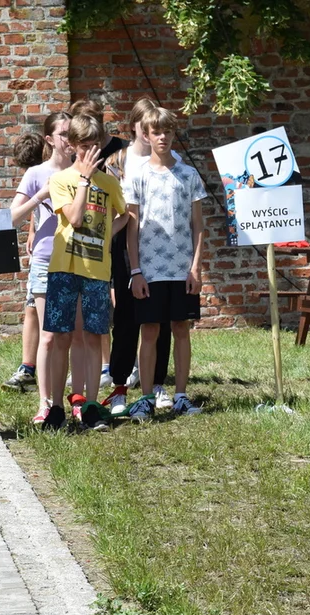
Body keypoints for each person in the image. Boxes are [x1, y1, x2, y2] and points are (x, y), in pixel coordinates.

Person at [41, 113, 126, 432]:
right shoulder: (61, 180)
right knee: (62, 336)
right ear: (73, 146)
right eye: (85, 146)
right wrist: (85, 181)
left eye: (96, 146)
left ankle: (90, 404)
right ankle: (58, 408)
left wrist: (107, 239)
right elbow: (75, 218)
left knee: (93, 336)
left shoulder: (109, 182)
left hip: (96, 270)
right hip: (64, 268)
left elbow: (125, 215)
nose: (91, 152)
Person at [124, 106, 207, 421]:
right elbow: (132, 227)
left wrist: (195, 268)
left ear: (174, 134)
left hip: (181, 268)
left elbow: (198, 226)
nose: (162, 137)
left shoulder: (188, 175)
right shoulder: (138, 175)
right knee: (149, 330)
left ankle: (181, 396)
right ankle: (146, 398)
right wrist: (135, 271)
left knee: (181, 328)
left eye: (167, 132)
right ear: (146, 134)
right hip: (150, 269)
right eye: (156, 132)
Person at [103, 97, 180, 417]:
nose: (152, 134)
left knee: (159, 318)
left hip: (161, 248)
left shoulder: (170, 159)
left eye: (158, 128)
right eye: (146, 126)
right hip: (125, 243)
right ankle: (120, 382)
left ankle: (157, 382)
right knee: (125, 318)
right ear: (135, 126)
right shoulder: (117, 161)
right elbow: (108, 206)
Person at [7, 115, 73, 423]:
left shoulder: (82, 172)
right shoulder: (36, 173)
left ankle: (63, 402)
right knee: (48, 336)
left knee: (67, 337)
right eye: (63, 134)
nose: (69, 139)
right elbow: (11, 218)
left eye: (73, 133)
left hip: (78, 260)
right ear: (49, 139)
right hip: (47, 261)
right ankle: (44, 404)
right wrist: (40, 196)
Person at [2, 131, 46, 391]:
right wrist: (31, 231)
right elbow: (36, 209)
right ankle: (27, 367)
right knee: (31, 307)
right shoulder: (35, 174)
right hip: (41, 249)